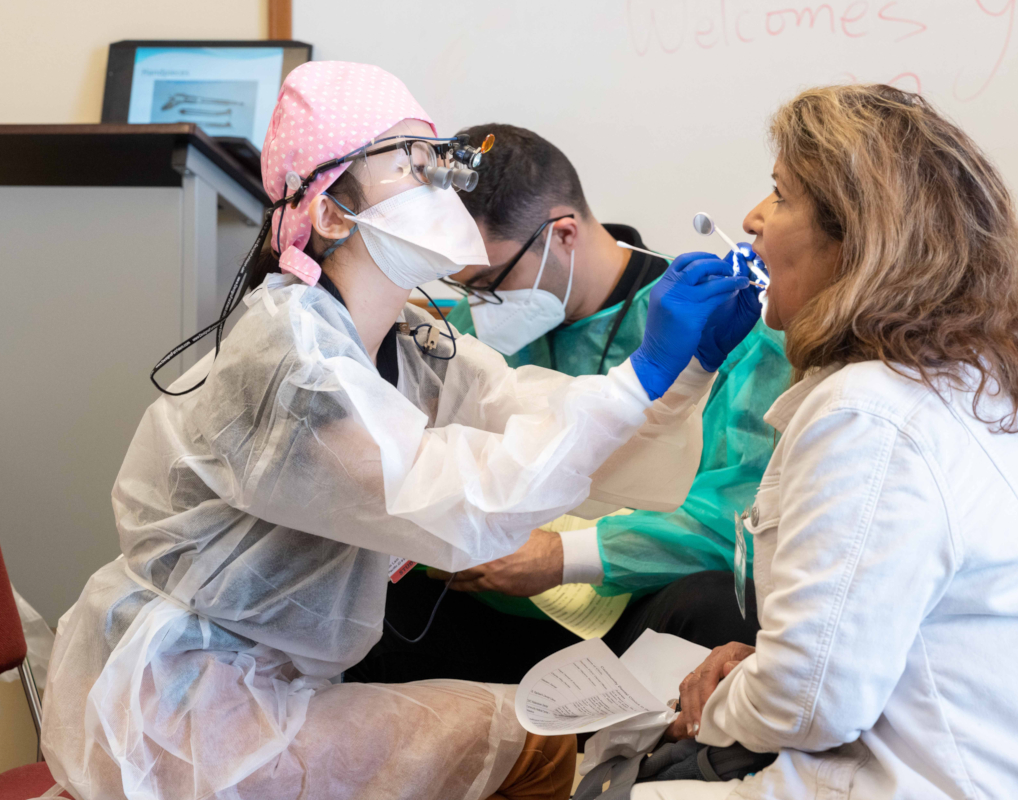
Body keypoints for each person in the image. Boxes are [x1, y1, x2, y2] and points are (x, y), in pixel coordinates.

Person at [37, 62, 757, 800]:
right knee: (534, 747)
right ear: (330, 214)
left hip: (281, 684)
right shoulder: (292, 363)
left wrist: (685, 373)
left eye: (436, 160)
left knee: (537, 732)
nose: (443, 184)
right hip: (186, 709)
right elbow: (466, 503)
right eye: (413, 164)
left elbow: (544, 423)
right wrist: (640, 377)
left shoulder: (413, 341)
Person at [624, 85, 1018, 799]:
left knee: (638, 783)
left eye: (781, 195)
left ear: (859, 240)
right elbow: (838, 650)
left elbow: (811, 700)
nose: (752, 220)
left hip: (1010, 781)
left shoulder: (868, 412)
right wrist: (767, 668)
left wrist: (718, 707)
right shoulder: (967, 376)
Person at [347, 125, 790, 686]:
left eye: (490, 282)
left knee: (716, 604)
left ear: (563, 234)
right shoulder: (461, 336)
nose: (480, 310)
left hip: (632, 614)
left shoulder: (723, 327)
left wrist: (562, 554)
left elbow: (739, 514)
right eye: (467, 288)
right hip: (484, 612)